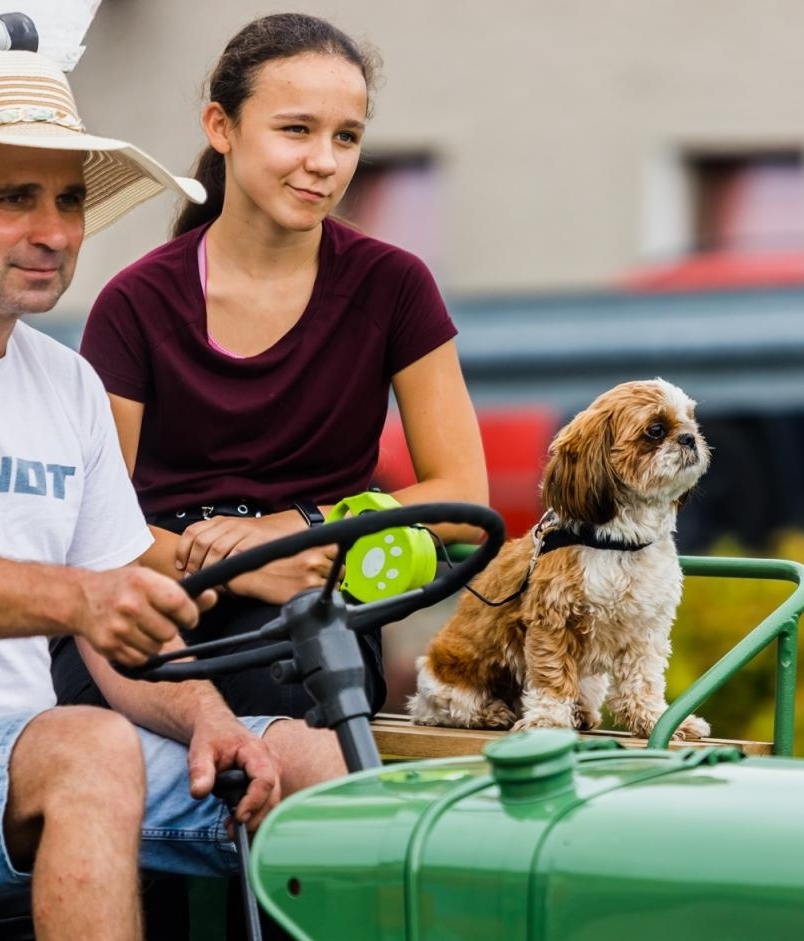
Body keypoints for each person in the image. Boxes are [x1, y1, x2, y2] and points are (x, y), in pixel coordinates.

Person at [0, 49, 389, 941]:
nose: (53, 231)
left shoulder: (66, 386)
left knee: (318, 759)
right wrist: (83, 599)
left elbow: (119, 624)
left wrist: (209, 719)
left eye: (68, 201)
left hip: (22, 760)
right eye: (14, 199)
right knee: (85, 746)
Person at [59, 12, 487, 721]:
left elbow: (462, 499)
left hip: (313, 606)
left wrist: (303, 527)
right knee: (103, 726)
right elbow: (92, 526)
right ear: (220, 127)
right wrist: (242, 566)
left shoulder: (394, 285)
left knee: (287, 694)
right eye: (296, 129)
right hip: (154, 595)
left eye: (346, 137)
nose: (325, 161)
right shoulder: (135, 303)